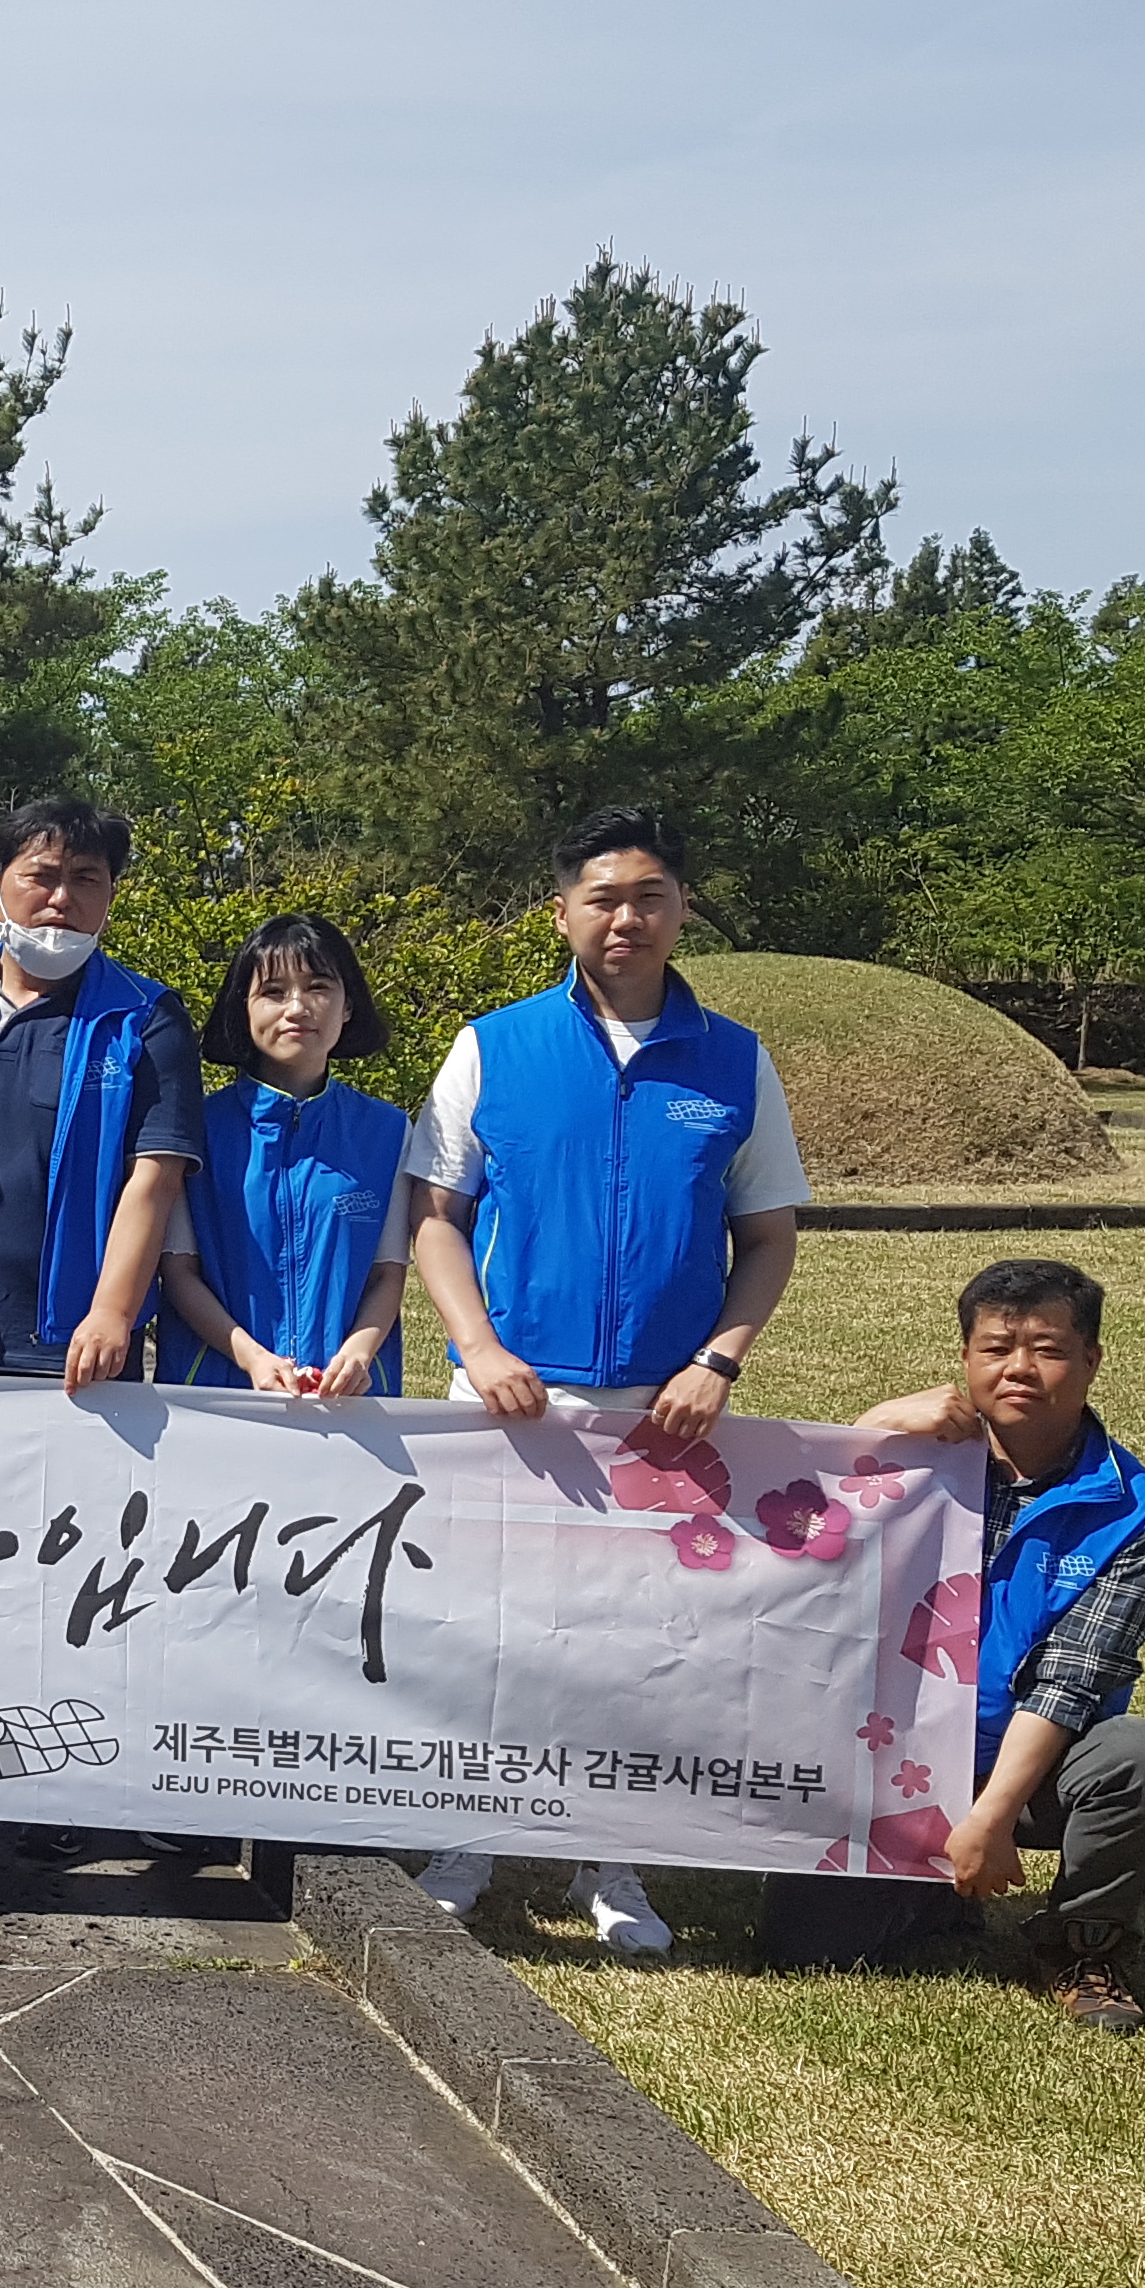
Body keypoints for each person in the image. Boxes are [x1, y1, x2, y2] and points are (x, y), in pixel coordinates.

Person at [402, 806, 809, 1955]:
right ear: (563, 913)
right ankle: (466, 1842)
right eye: (602, 897)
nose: (625, 916)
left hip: (662, 1411)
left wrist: (717, 1359)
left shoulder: (733, 1061)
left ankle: (611, 1860)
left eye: (649, 896)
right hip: (510, 1400)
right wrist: (479, 1347)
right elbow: (436, 1216)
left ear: (681, 909)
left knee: (637, 1639)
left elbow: (767, 1234)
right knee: (491, 1629)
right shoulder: (496, 1044)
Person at [764, 1258, 1145, 2034]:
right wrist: (871, 1427)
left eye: (1049, 1348)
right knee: (805, 1951)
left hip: (1035, 1760)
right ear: (965, 1359)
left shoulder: (1144, 1514)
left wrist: (990, 1816)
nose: (1021, 1369)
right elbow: (798, 1565)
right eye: (997, 1347)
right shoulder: (916, 1459)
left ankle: (1079, 1941)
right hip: (889, 1747)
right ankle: (929, 1897)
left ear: (1091, 1362)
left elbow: (1072, 1680)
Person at [0, 797, 203, 1393]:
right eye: (42, 876)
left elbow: (156, 1178)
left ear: (110, 899)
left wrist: (112, 1311)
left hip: (72, 1350)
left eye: (86, 880)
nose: (62, 900)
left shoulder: (144, 1018)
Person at [159, 913, 412, 1399]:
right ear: (243, 1010)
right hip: (216, 1395)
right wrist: (253, 1359)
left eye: (318, 987)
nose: (297, 1007)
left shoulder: (387, 1131)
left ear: (348, 1007)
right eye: (273, 992)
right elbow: (179, 1273)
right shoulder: (194, 1128)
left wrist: (356, 1357)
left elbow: (387, 1274)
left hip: (348, 1402)